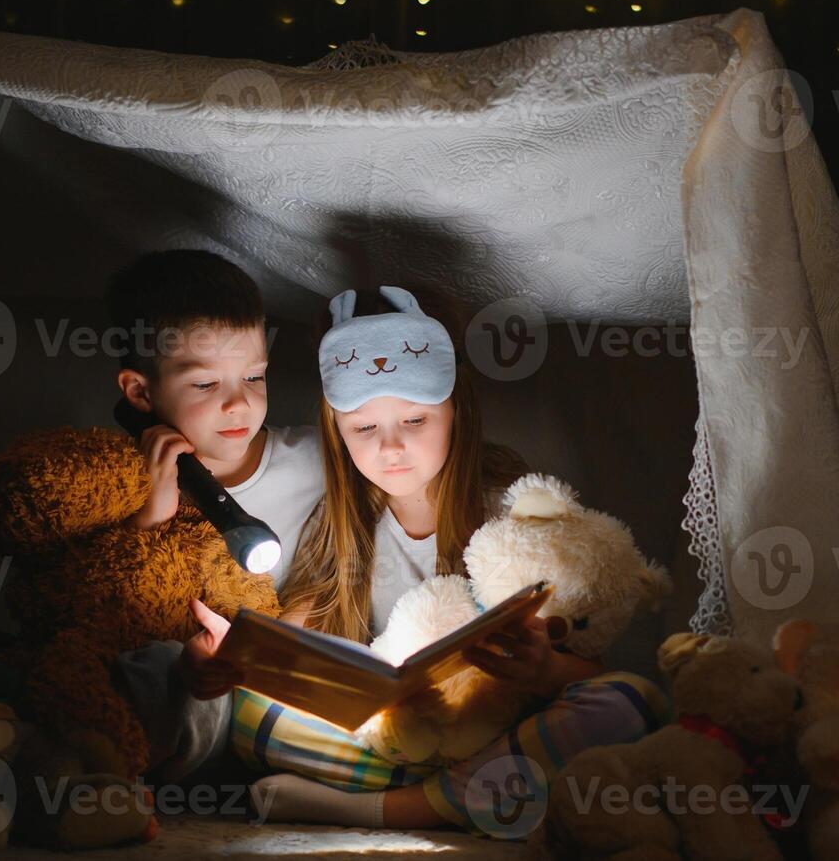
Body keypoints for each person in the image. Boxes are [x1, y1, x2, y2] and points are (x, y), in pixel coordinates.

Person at [189, 284, 670, 839]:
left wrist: (546, 671)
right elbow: (301, 641)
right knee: (248, 710)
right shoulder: (345, 521)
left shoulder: (517, 511)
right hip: (398, 743)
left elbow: (589, 671)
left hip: (494, 734)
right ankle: (463, 796)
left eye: (415, 422)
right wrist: (252, 658)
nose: (390, 448)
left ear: (455, 412)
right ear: (338, 432)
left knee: (629, 702)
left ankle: (390, 810)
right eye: (364, 429)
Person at [102, 249, 325, 788]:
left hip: (276, 694)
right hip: (179, 698)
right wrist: (154, 518)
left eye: (254, 377)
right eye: (205, 385)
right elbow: (111, 615)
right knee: (151, 668)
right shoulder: (117, 486)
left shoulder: (315, 463)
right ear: (139, 392)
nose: (239, 405)